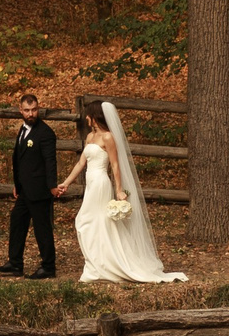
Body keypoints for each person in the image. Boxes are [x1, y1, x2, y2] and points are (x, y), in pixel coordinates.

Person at [56, 106, 186, 285]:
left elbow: (115, 165)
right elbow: (81, 163)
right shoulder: (90, 137)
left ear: (95, 116)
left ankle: (102, 266)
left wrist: (119, 190)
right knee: (94, 224)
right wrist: (66, 183)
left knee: (84, 221)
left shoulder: (108, 137)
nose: (86, 118)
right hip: (90, 184)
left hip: (100, 182)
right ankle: (96, 266)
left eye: (88, 115)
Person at [0, 93, 59, 280]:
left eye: (34, 110)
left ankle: (48, 267)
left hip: (39, 190)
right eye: (27, 110)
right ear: (20, 110)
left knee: (42, 228)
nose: (31, 114)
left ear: (38, 109)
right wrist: (17, 185)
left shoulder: (45, 133)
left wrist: (52, 186)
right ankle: (15, 264)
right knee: (17, 222)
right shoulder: (23, 130)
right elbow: (20, 160)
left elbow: (50, 161)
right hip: (25, 190)